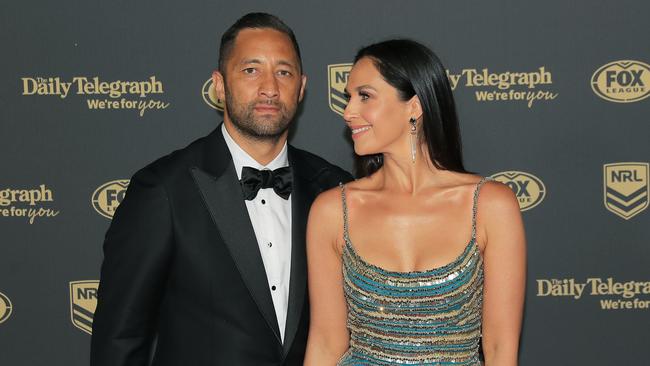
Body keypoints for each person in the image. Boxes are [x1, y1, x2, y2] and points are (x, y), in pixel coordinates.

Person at [90, 13, 352, 366]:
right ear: (219, 85)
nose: (270, 88)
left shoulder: (334, 190)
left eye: (284, 72)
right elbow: (120, 341)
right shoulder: (163, 190)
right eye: (251, 70)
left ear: (302, 87)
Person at [304, 39, 526, 366]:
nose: (349, 111)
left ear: (414, 106)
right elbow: (325, 344)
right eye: (348, 97)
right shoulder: (332, 211)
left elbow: (500, 349)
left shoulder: (491, 205)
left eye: (365, 96)